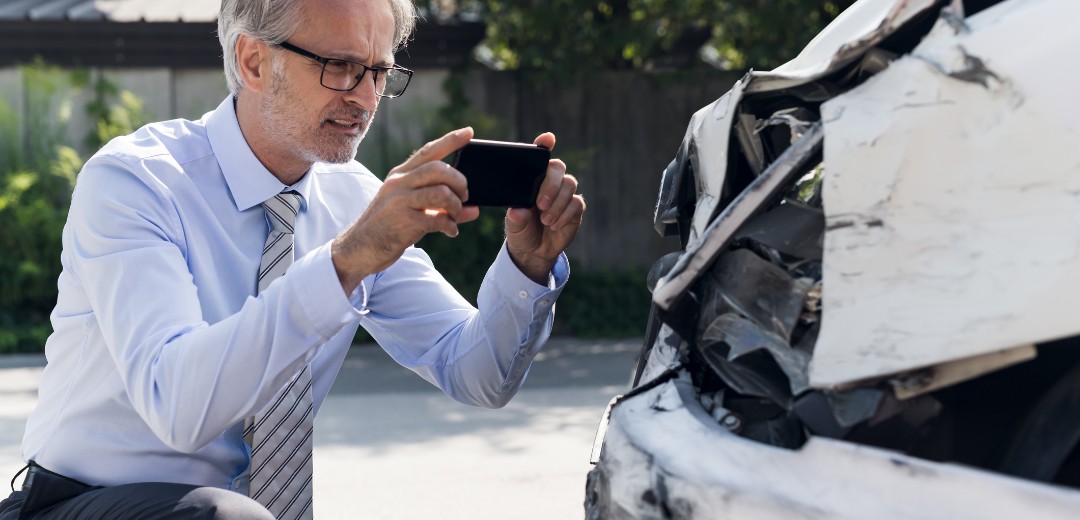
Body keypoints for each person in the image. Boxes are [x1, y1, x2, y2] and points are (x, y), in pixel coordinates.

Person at [0, 0, 585, 518]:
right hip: (76, 503)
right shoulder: (136, 181)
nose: (364, 96)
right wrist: (345, 261)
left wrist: (525, 269)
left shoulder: (352, 198)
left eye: (379, 71)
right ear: (253, 62)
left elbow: (477, 373)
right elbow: (177, 408)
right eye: (340, 67)